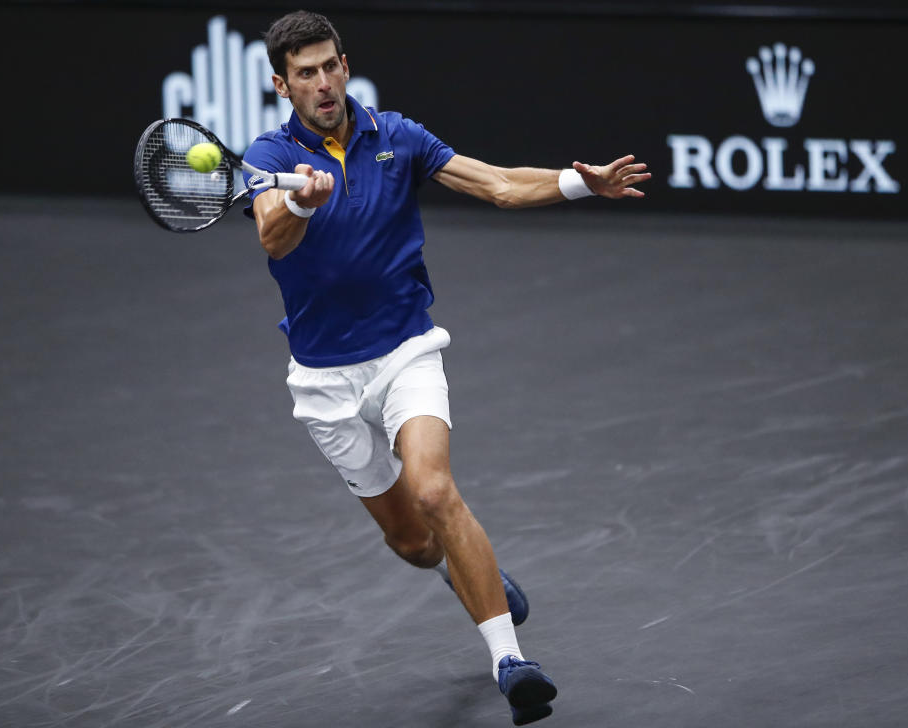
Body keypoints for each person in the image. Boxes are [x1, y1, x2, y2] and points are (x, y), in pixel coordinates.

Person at [242, 10, 650, 725]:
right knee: (412, 543)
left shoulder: (396, 135)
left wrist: (578, 184)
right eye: (305, 73)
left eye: (331, 64)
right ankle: (481, 573)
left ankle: (509, 659)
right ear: (282, 84)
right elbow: (273, 239)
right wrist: (301, 201)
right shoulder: (266, 154)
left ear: (345, 63)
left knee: (433, 490)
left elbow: (494, 183)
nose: (324, 81)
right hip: (322, 381)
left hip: (405, 351)